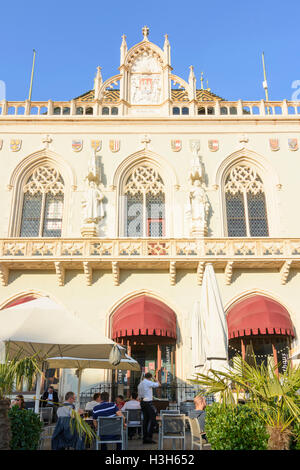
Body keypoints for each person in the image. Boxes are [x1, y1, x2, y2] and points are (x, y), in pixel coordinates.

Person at [138, 372, 160, 444]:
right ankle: (149, 437)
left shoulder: (140, 383)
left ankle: (145, 438)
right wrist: (155, 378)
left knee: (146, 420)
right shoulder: (148, 382)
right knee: (152, 419)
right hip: (148, 402)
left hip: (142, 402)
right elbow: (159, 384)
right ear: (150, 377)